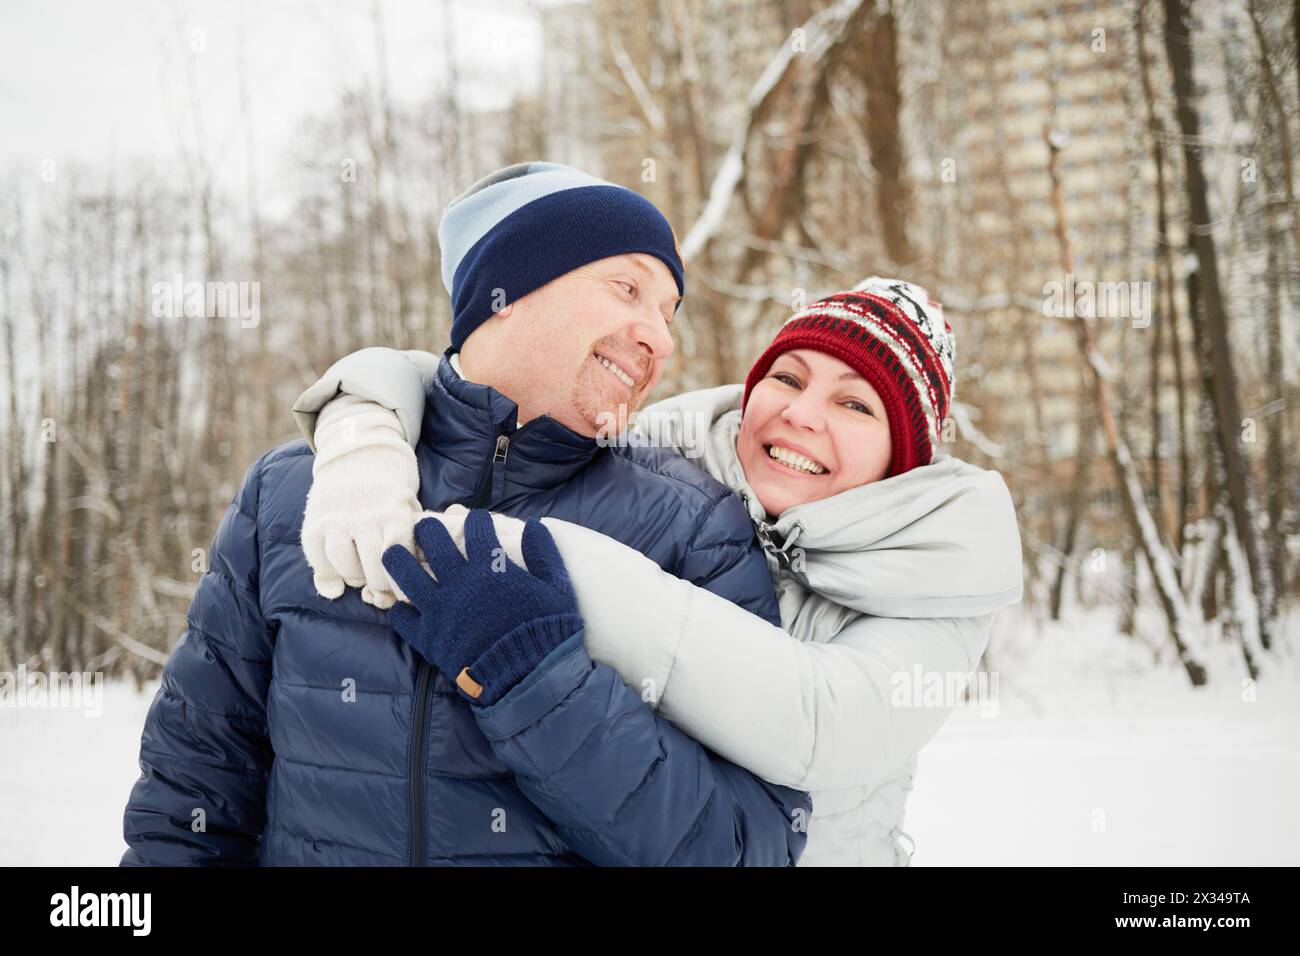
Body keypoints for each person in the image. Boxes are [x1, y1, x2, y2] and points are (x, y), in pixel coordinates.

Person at [121, 161, 810, 867]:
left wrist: (541, 685)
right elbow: (193, 791)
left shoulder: (695, 527)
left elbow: (751, 845)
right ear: (505, 294)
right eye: (628, 289)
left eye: (668, 313)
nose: (661, 340)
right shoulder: (290, 493)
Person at [296, 278, 1024, 866]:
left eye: (854, 403)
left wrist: (539, 559)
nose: (802, 414)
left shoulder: (940, 570)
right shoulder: (668, 468)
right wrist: (361, 417)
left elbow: (817, 721)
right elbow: (482, 397)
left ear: (903, 456)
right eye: (787, 377)